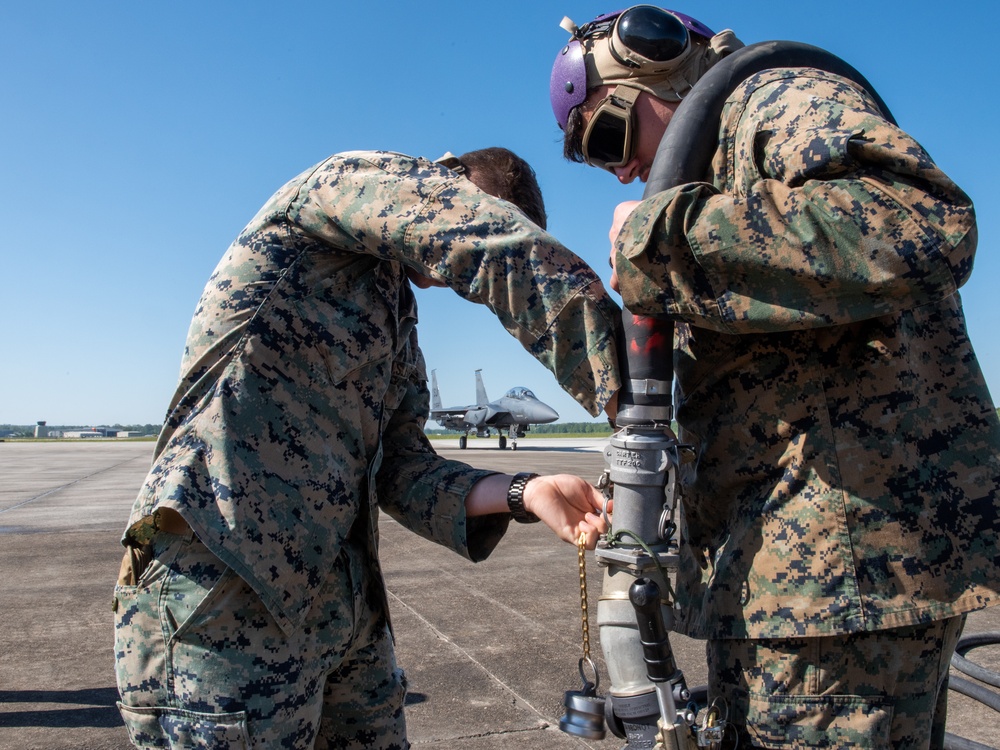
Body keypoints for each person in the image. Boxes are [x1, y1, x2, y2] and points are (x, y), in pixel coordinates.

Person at [549, 6, 1000, 748]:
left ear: (656, 66)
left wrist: (660, 238)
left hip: (838, 588)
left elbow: (916, 221)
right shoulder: (725, 167)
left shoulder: (773, 99)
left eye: (608, 137)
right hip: (807, 589)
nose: (620, 169)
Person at [113, 146, 623, 749]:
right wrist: (629, 394)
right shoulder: (343, 185)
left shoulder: (395, 314)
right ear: (444, 174)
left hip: (342, 608)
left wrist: (526, 491)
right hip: (226, 589)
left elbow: (404, 470)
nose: (455, 286)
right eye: (473, 207)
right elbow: (480, 238)